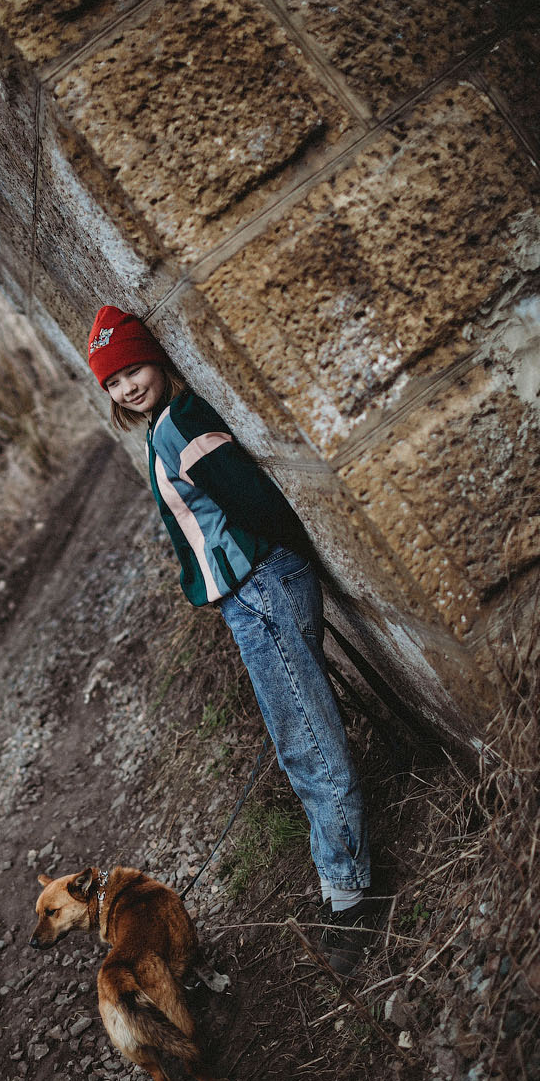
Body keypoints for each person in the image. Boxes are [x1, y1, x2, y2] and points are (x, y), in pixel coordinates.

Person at [87, 304, 378, 976]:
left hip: (262, 586)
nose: (126, 386)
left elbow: (255, 501)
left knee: (307, 739)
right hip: (248, 596)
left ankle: (352, 893)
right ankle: (338, 872)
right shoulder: (163, 428)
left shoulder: (184, 421)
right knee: (295, 736)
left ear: (155, 359)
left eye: (131, 368)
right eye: (112, 381)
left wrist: (281, 564)